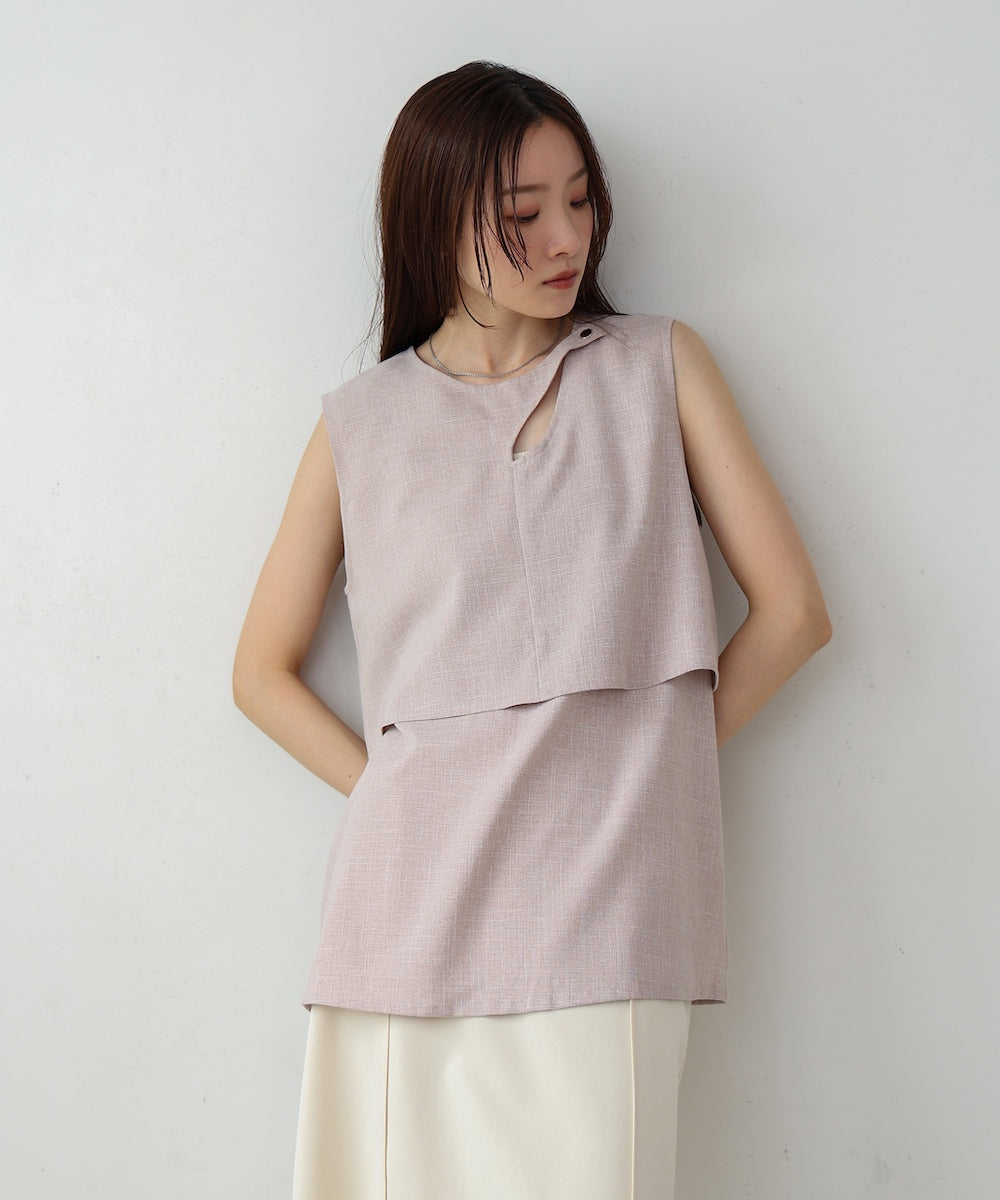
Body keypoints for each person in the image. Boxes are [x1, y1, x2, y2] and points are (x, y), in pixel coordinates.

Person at [233, 60, 831, 1200]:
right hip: (405, 913)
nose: (567, 238)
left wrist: (641, 767)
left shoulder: (657, 366)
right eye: (522, 213)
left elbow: (795, 613)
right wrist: (398, 795)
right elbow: (259, 672)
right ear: (434, 222)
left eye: (580, 198)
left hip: (609, 903)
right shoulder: (361, 424)